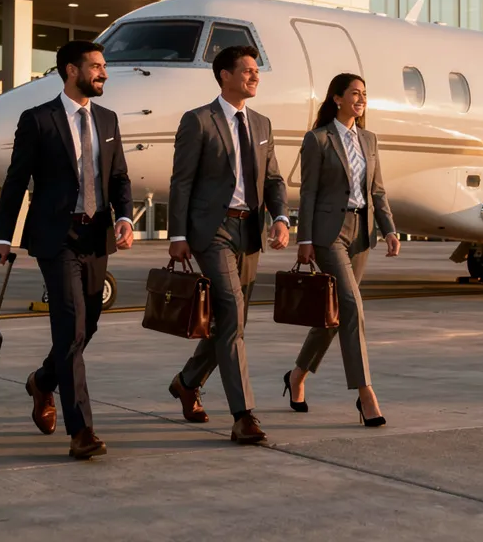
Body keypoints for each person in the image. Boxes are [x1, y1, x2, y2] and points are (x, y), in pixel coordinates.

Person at [0, 40, 134, 460]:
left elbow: (120, 177)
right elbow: (16, 181)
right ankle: (82, 430)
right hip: (56, 238)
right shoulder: (38, 120)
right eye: (96, 66)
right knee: (70, 327)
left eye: (104, 66)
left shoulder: (107, 119)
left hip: (97, 236)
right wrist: (3, 237)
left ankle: (42, 382)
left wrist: (124, 217)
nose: (103, 73)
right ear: (71, 70)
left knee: (88, 327)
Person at [167, 45, 289, 444]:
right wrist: (178, 235)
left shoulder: (262, 124)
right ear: (224, 75)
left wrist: (282, 217)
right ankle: (243, 415)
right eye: (248, 70)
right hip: (212, 231)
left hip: (249, 231)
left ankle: (188, 381)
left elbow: (272, 180)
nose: (255, 77)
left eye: (257, 71)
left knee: (231, 321)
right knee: (233, 315)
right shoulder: (198, 121)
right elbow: (181, 181)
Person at [285, 73, 398, 427]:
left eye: (365, 93)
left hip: (362, 233)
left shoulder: (369, 139)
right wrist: (303, 239)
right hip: (328, 234)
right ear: (337, 98)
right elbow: (308, 193)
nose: (361, 99)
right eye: (355, 93)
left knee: (333, 315)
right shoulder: (317, 140)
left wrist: (390, 228)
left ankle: (297, 375)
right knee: (351, 307)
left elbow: (377, 191)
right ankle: (365, 394)